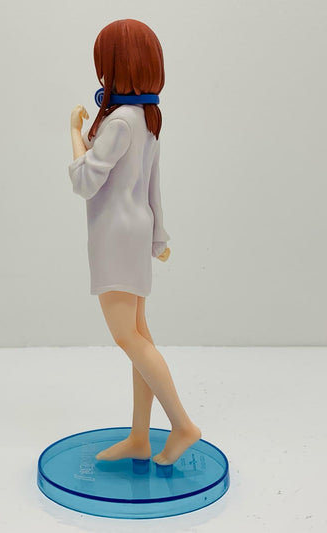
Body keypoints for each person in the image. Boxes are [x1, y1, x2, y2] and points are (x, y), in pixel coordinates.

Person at [68, 19, 201, 467]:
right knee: (139, 336)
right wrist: (158, 235)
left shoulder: (122, 121)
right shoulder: (145, 117)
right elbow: (151, 185)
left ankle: (182, 425)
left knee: (128, 337)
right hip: (135, 230)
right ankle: (140, 437)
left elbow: (85, 181)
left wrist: (74, 133)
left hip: (115, 235)